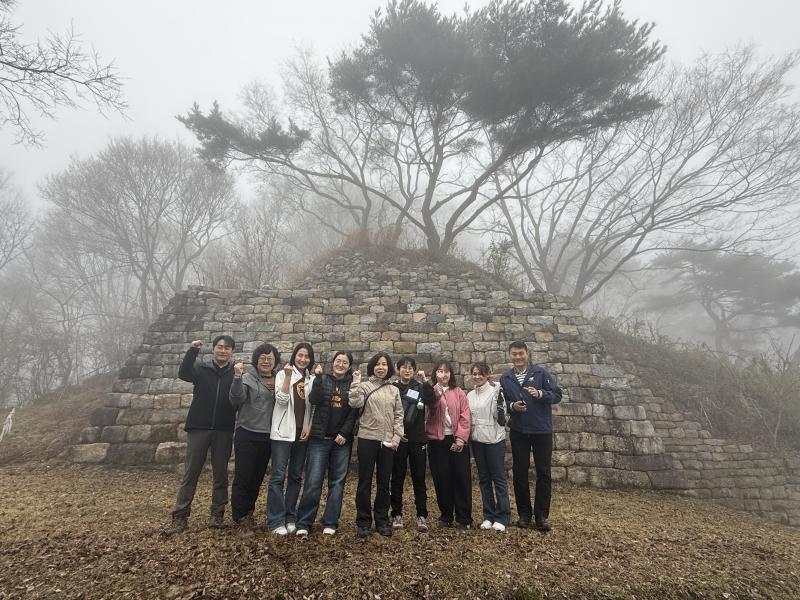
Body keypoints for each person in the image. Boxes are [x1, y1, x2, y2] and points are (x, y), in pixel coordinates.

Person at [163, 335, 237, 535]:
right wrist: (192, 351)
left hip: (224, 429)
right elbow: (183, 373)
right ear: (213, 349)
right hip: (199, 427)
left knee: (220, 474)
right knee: (191, 473)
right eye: (220, 347)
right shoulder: (201, 369)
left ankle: (217, 514)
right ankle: (180, 516)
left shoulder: (236, 374)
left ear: (232, 352)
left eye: (227, 348)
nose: (223, 351)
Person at [500, 340, 562, 532]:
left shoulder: (540, 373)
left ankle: (542, 515)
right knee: (520, 472)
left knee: (544, 472)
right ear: (510, 355)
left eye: (521, 353)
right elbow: (504, 402)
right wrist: (513, 407)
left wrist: (541, 394)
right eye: (514, 354)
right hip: (519, 430)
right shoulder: (506, 378)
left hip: (541, 430)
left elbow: (557, 394)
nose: (518, 357)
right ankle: (524, 514)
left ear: (527, 354)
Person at [294, 351, 358, 537]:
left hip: (341, 441)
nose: (340, 364)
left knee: (337, 482)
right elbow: (313, 399)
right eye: (338, 361)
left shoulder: (352, 384)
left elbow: (354, 412)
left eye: (344, 362)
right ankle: (304, 522)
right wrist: (318, 377)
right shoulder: (322, 379)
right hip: (319, 438)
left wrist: (344, 433)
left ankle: (330, 521)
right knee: (313, 481)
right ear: (333, 363)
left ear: (349, 366)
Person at [349, 351, 403, 538]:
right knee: (364, 481)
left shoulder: (394, 390)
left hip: (388, 441)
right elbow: (355, 402)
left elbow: (399, 415)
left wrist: (397, 436)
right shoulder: (364, 386)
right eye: (378, 364)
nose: (381, 367)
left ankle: (382, 519)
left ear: (389, 368)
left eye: (385, 364)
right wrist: (355, 383)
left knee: (384, 482)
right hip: (367, 438)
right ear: (372, 366)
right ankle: (363, 521)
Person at [228, 342, 280, 537]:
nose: (266, 361)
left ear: (275, 361)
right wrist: (236, 377)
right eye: (263, 358)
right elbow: (236, 400)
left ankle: (248, 513)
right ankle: (239, 518)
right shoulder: (247, 378)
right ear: (256, 360)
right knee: (243, 477)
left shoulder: (279, 379)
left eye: (270, 358)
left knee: (257, 478)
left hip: (268, 436)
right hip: (247, 433)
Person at [268, 342, 318, 535]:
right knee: (278, 476)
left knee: (296, 476)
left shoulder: (310, 379)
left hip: (301, 432)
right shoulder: (282, 374)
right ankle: (275, 520)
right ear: (294, 356)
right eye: (300, 355)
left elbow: (313, 406)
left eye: (307, 356)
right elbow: (281, 399)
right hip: (283, 432)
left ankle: (290, 516)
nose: (303, 359)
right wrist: (288, 377)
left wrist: (309, 425)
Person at [389, 356, 435, 533]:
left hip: (417, 439)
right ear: (398, 369)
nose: (407, 370)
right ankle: (396, 514)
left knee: (419, 478)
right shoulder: (393, 388)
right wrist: (397, 434)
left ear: (414, 370)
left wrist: (426, 382)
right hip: (398, 438)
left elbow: (431, 401)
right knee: (397, 476)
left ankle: (421, 515)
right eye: (404, 367)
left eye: (410, 368)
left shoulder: (420, 387)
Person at [425, 359, 472, 529]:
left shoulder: (459, 392)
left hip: (456, 439)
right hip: (437, 441)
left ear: (450, 374)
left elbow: (465, 416)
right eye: (440, 371)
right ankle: (446, 515)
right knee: (442, 479)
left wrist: (461, 438)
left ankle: (464, 517)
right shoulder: (430, 391)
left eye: (446, 371)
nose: (443, 375)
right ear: (435, 374)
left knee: (462, 478)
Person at [467, 362, 511, 532]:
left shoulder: (495, 391)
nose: (477, 376)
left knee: (498, 479)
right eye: (475, 373)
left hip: (494, 440)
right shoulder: (470, 395)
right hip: (477, 441)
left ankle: (503, 516)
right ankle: (488, 515)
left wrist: (498, 393)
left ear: (488, 375)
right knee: (484, 479)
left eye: (481, 373)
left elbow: (499, 416)